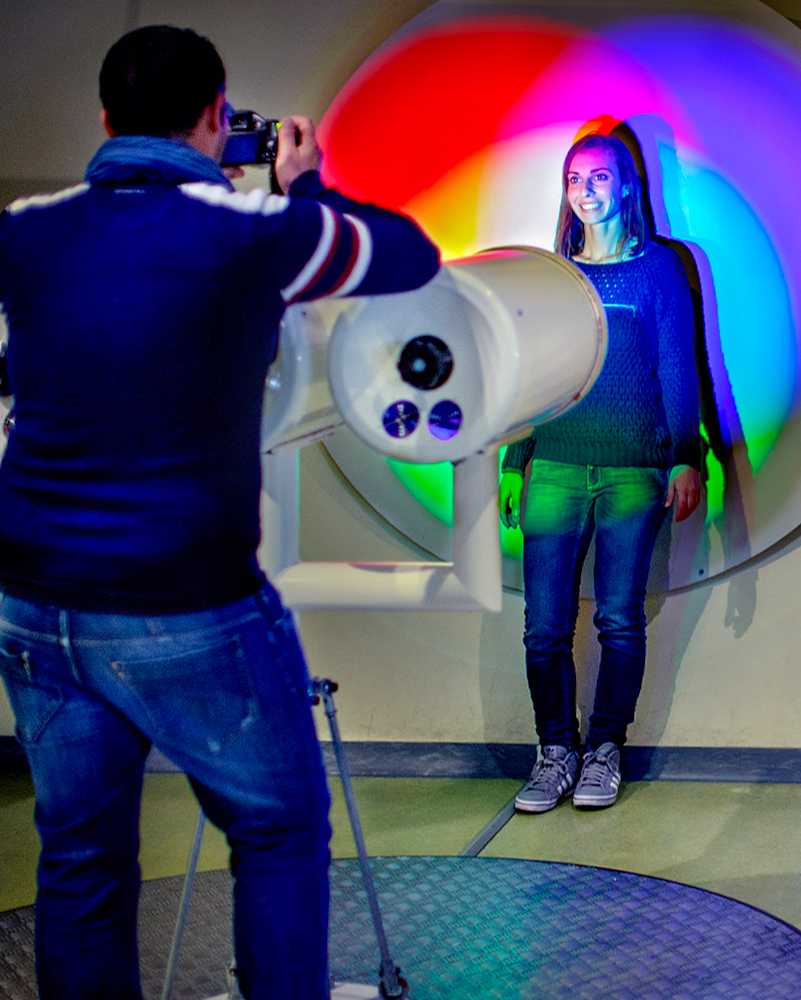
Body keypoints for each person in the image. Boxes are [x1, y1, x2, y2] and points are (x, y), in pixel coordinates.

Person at [0, 26, 439, 999]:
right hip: (186, 603)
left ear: (105, 119)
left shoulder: (25, 230)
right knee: (278, 828)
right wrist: (301, 185)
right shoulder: (250, 232)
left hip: (31, 603)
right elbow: (407, 254)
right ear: (216, 117)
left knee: (80, 856)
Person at [499, 130, 701, 814]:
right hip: (553, 461)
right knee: (544, 626)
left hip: (633, 469)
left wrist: (685, 454)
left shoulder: (661, 269)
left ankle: (605, 749)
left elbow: (678, 364)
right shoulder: (554, 272)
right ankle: (555, 751)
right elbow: (532, 374)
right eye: (574, 179)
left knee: (619, 618)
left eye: (599, 178)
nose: (585, 192)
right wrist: (514, 460)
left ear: (628, 185)